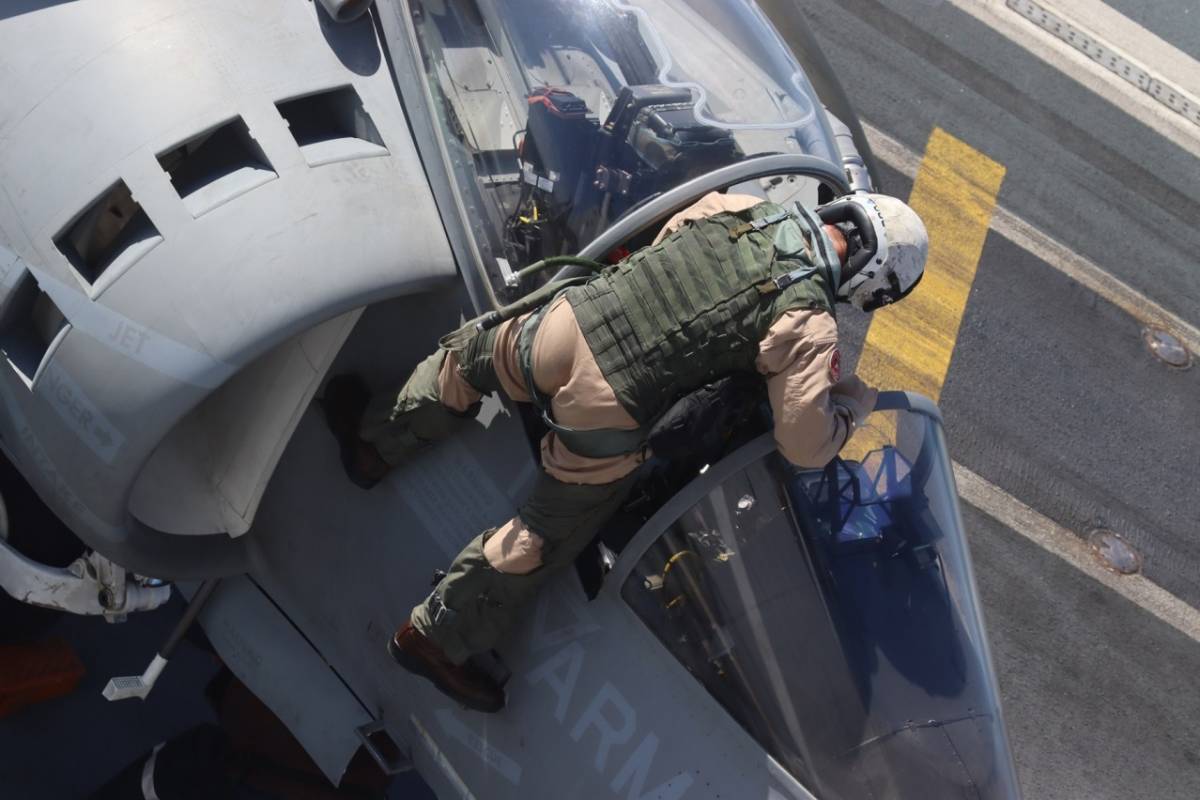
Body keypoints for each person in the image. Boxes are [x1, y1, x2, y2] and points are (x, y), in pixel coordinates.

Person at [322, 191, 928, 712]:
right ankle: (432, 639)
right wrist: (849, 407)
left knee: (466, 360)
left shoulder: (751, 208)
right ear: (874, 282)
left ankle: (373, 446)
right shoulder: (808, 321)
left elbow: (668, 238)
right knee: (545, 532)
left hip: (569, 322)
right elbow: (803, 443)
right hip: (607, 405)